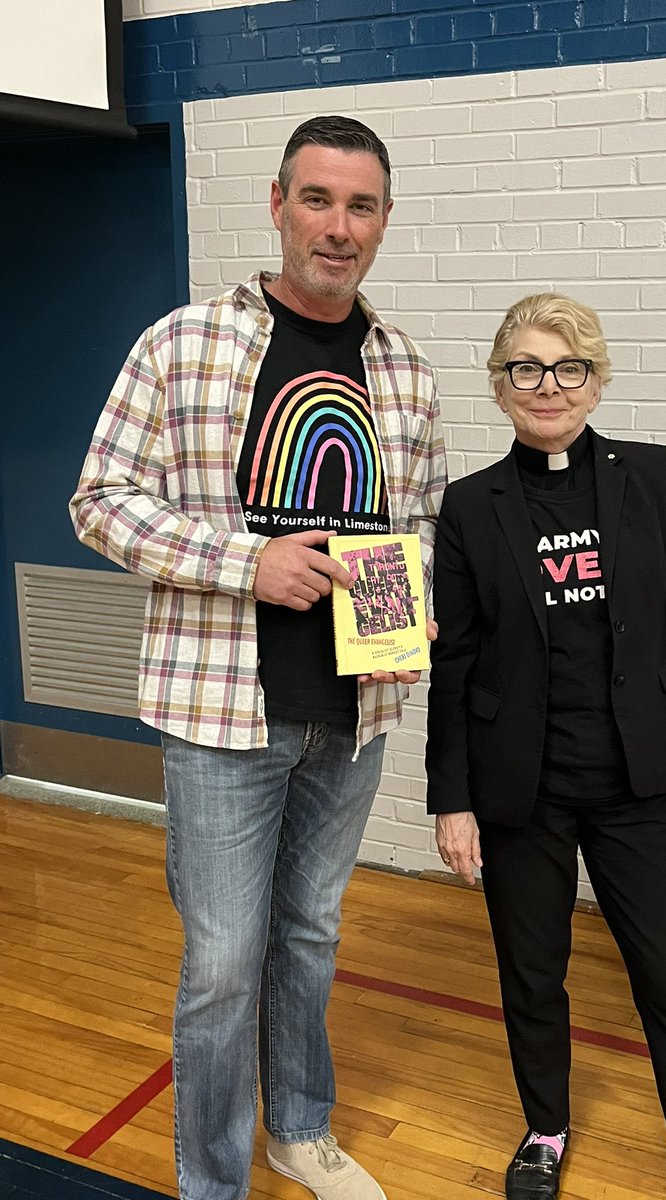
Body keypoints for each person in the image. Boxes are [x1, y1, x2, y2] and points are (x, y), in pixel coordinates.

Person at [71, 116, 446, 1200]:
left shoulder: (407, 372)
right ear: (277, 204)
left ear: (383, 220)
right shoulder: (183, 342)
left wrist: (407, 630)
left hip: (352, 712)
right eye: (318, 200)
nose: (339, 228)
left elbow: (409, 530)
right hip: (220, 712)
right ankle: (213, 1180)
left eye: (361, 206)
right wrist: (246, 564)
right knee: (223, 966)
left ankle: (300, 1128)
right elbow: (99, 502)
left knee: (312, 937)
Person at [425, 294, 666, 1200]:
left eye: (568, 368)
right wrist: (449, 799)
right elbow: (453, 659)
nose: (548, 387)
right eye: (525, 368)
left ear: (596, 380)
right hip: (518, 786)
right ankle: (545, 1128)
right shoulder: (470, 506)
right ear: (499, 388)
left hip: (633, 782)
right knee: (532, 976)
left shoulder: (652, 476)